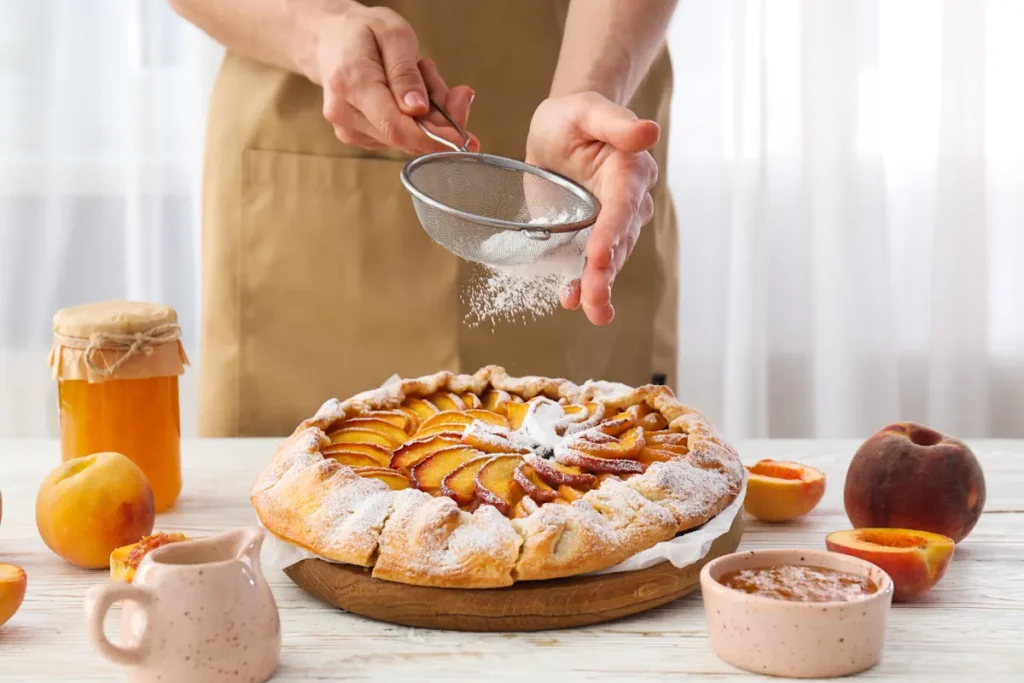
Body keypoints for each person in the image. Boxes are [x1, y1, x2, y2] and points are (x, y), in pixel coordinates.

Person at [169, 0, 680, 437]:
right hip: (301, 182)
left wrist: (590, 88)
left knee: (589, 480)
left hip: (588, 139)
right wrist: (318, 29)